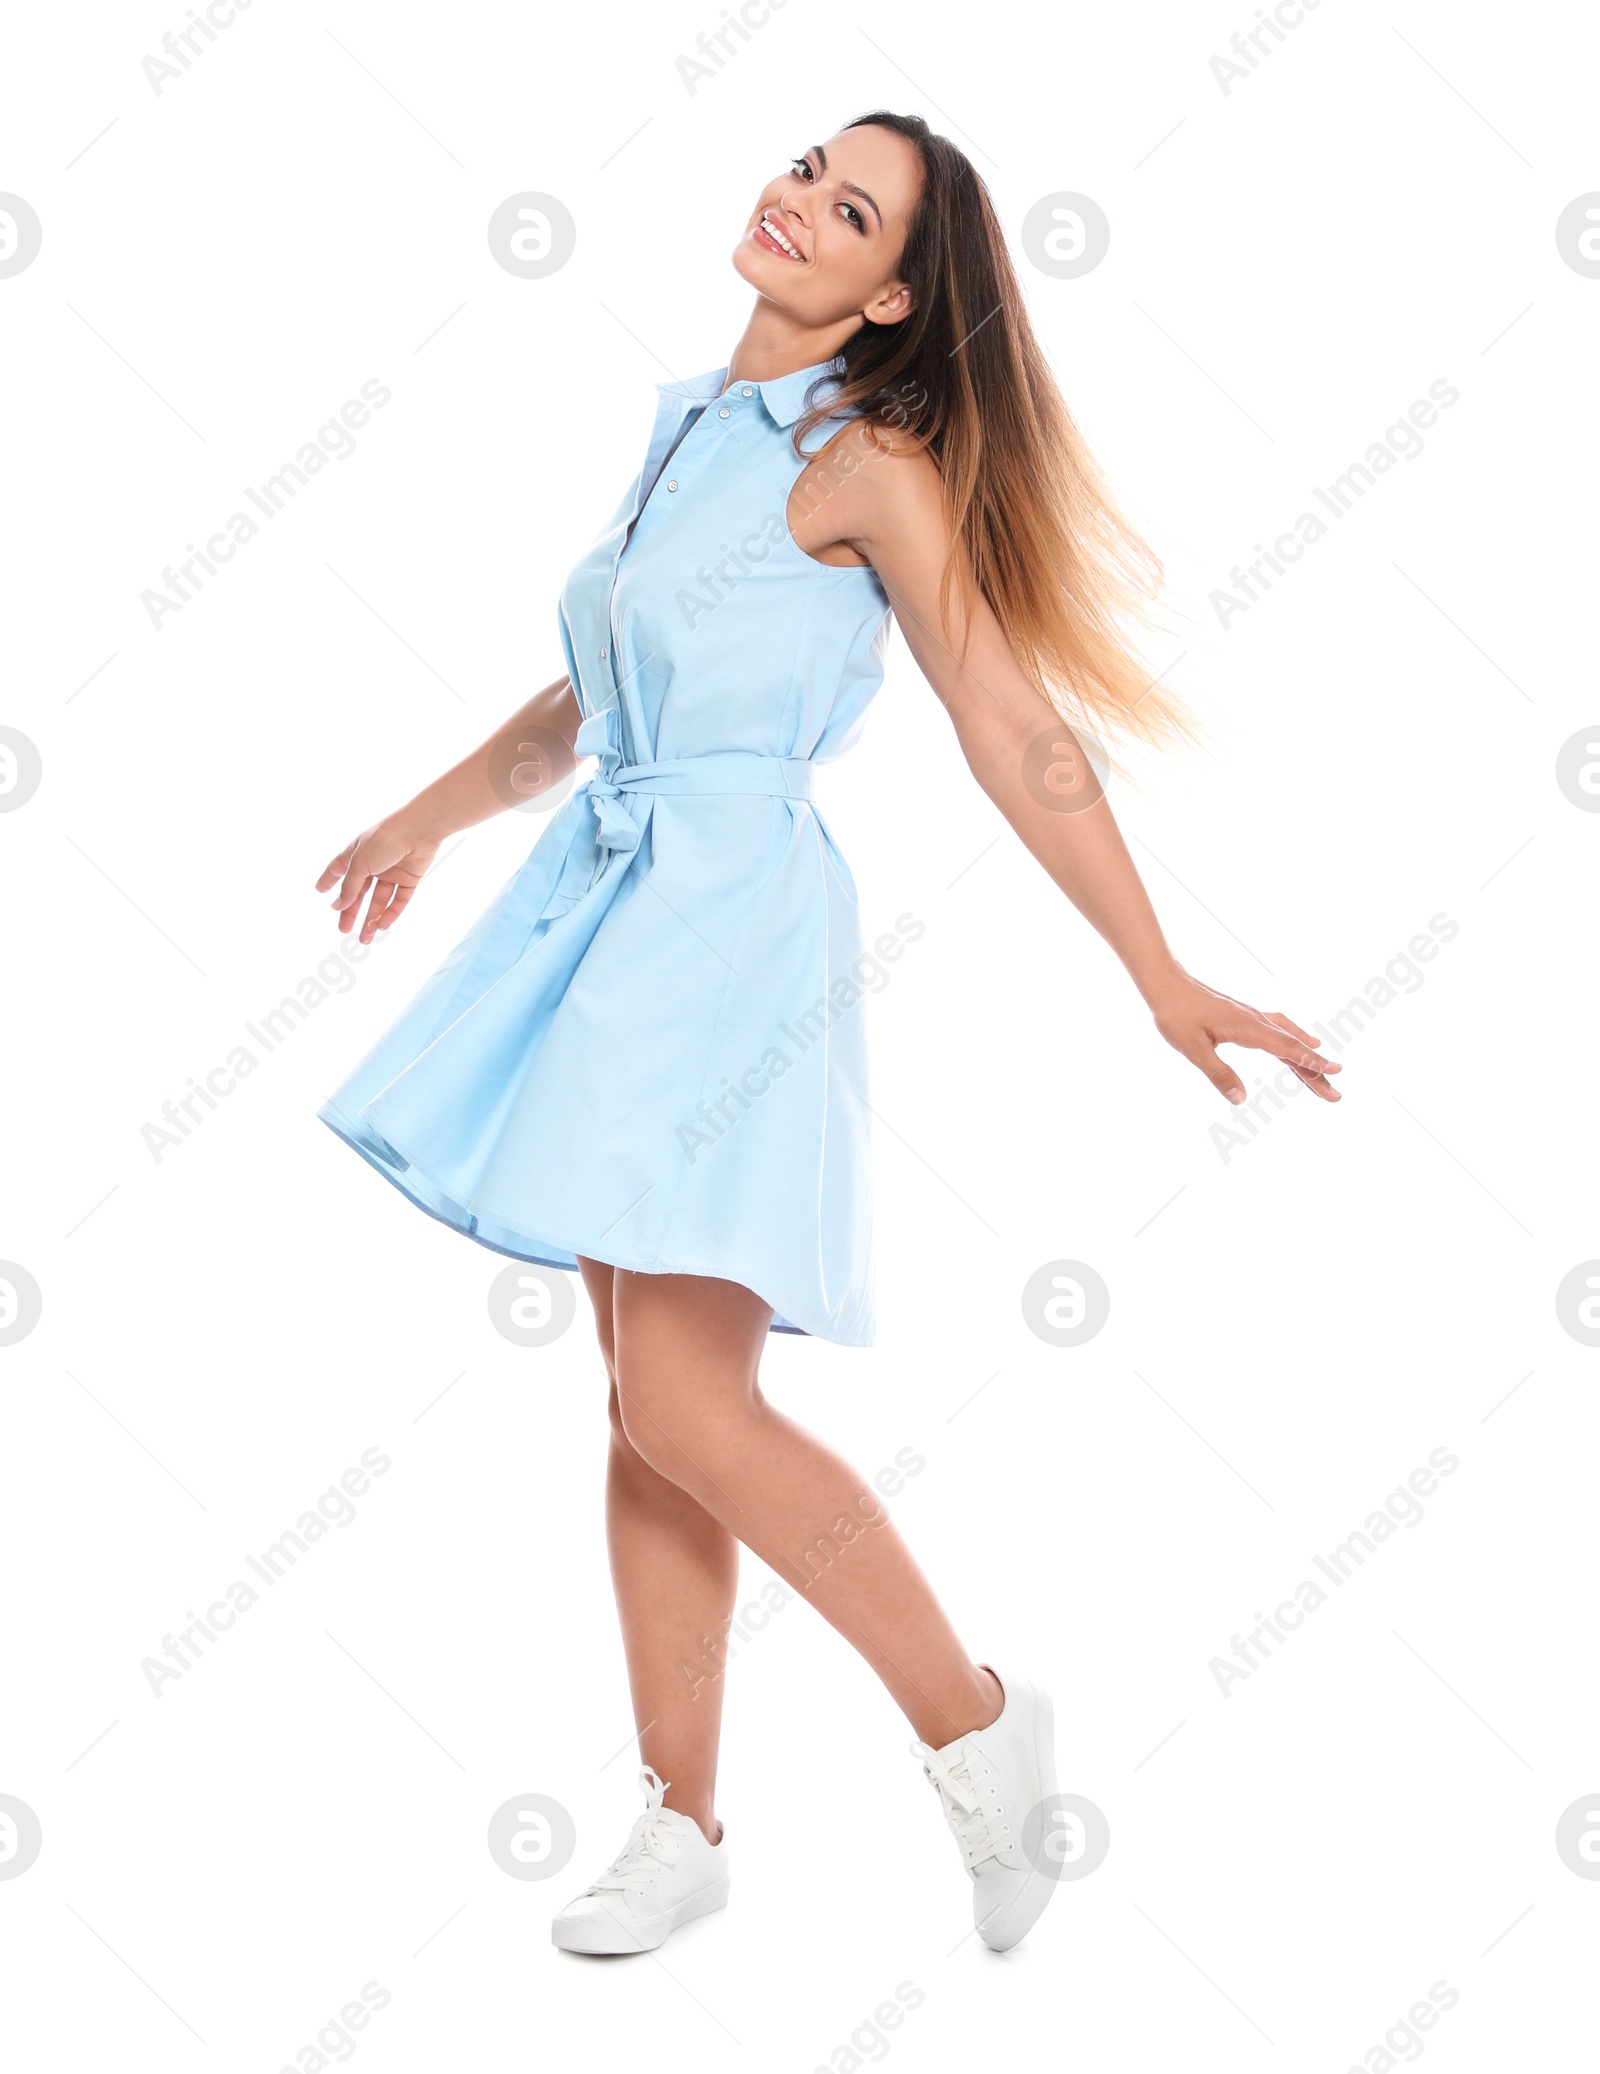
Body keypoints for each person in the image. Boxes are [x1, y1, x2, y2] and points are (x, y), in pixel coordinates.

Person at [315, 110, 1340, 1958]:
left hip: (725, 938)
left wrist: (1159, 969)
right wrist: (419, 815)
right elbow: (591, 695)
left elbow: (1006, 720)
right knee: (642, 1402)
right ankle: (682, 1816)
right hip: (617, 910)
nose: (799, 200)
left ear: (887, 296)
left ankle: (978, 1729)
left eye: (851, 211)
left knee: (690, 1398)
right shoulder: (696, 425)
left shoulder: (867, 461)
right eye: (808, 165)